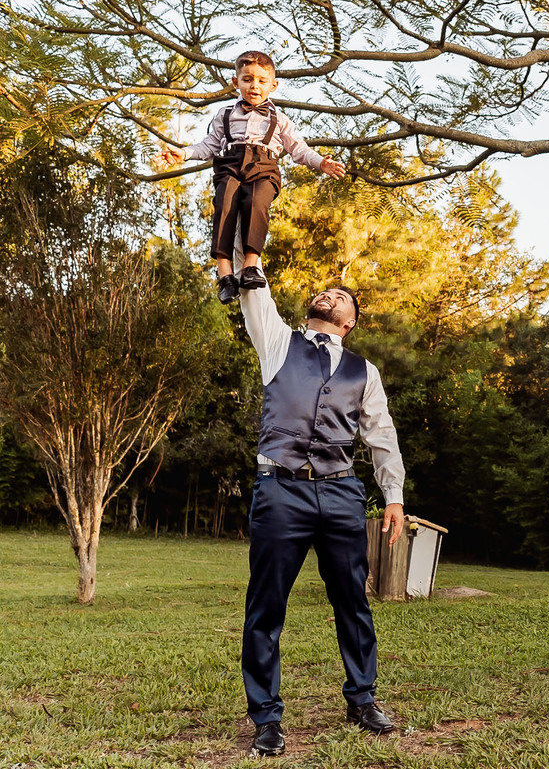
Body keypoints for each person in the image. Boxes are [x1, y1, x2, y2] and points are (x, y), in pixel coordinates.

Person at [237, 274, 406, 757]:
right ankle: (266, 718)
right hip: (280, 491)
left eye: (342, 297)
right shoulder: (276, 342)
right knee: (266, 607)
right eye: (325, 293)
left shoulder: (363, 371)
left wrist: (392, 495)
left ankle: (362, 699)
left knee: (353, 600)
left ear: (349, 321)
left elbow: (381, 435)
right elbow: (255, 292)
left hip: (341, 493)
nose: (329, 296)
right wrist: (249, 240)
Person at [157, 50, 346, 304]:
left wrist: (321, 162)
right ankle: (225, 276)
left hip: (264, 165)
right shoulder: (224, 115)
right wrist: (183, 153)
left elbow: (298, 149)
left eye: (261, 80)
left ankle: (250, 266)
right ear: (236, 83)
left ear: (273, 85)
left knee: (256, 203)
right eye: (247, 79)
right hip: (230, 164)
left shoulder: (279, 119)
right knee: (224, 207)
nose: (254, 86)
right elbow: (208, 146)